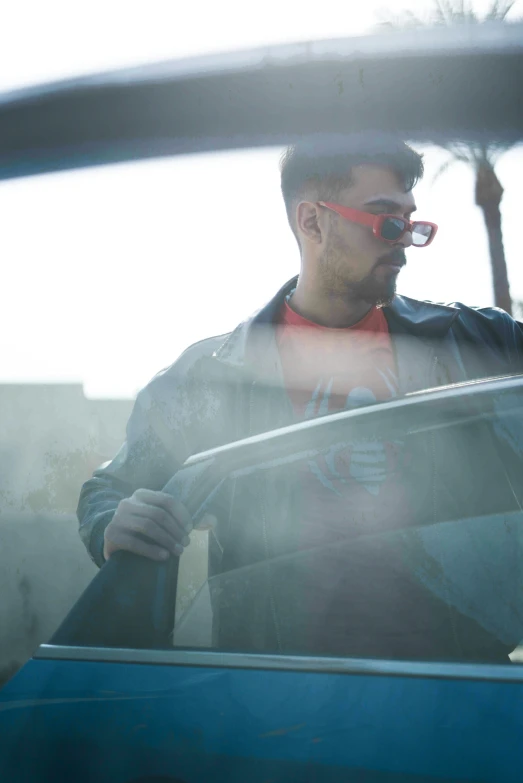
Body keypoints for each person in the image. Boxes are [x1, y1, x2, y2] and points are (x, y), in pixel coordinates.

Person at [78, 136, 523, 660]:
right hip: (281, 695)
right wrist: (114, 523)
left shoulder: (474, 342)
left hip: (454, 689)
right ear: (312, 222)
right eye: (386, 221)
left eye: (411, 221)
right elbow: (107, 489)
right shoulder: (213, 375)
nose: (404, 240)